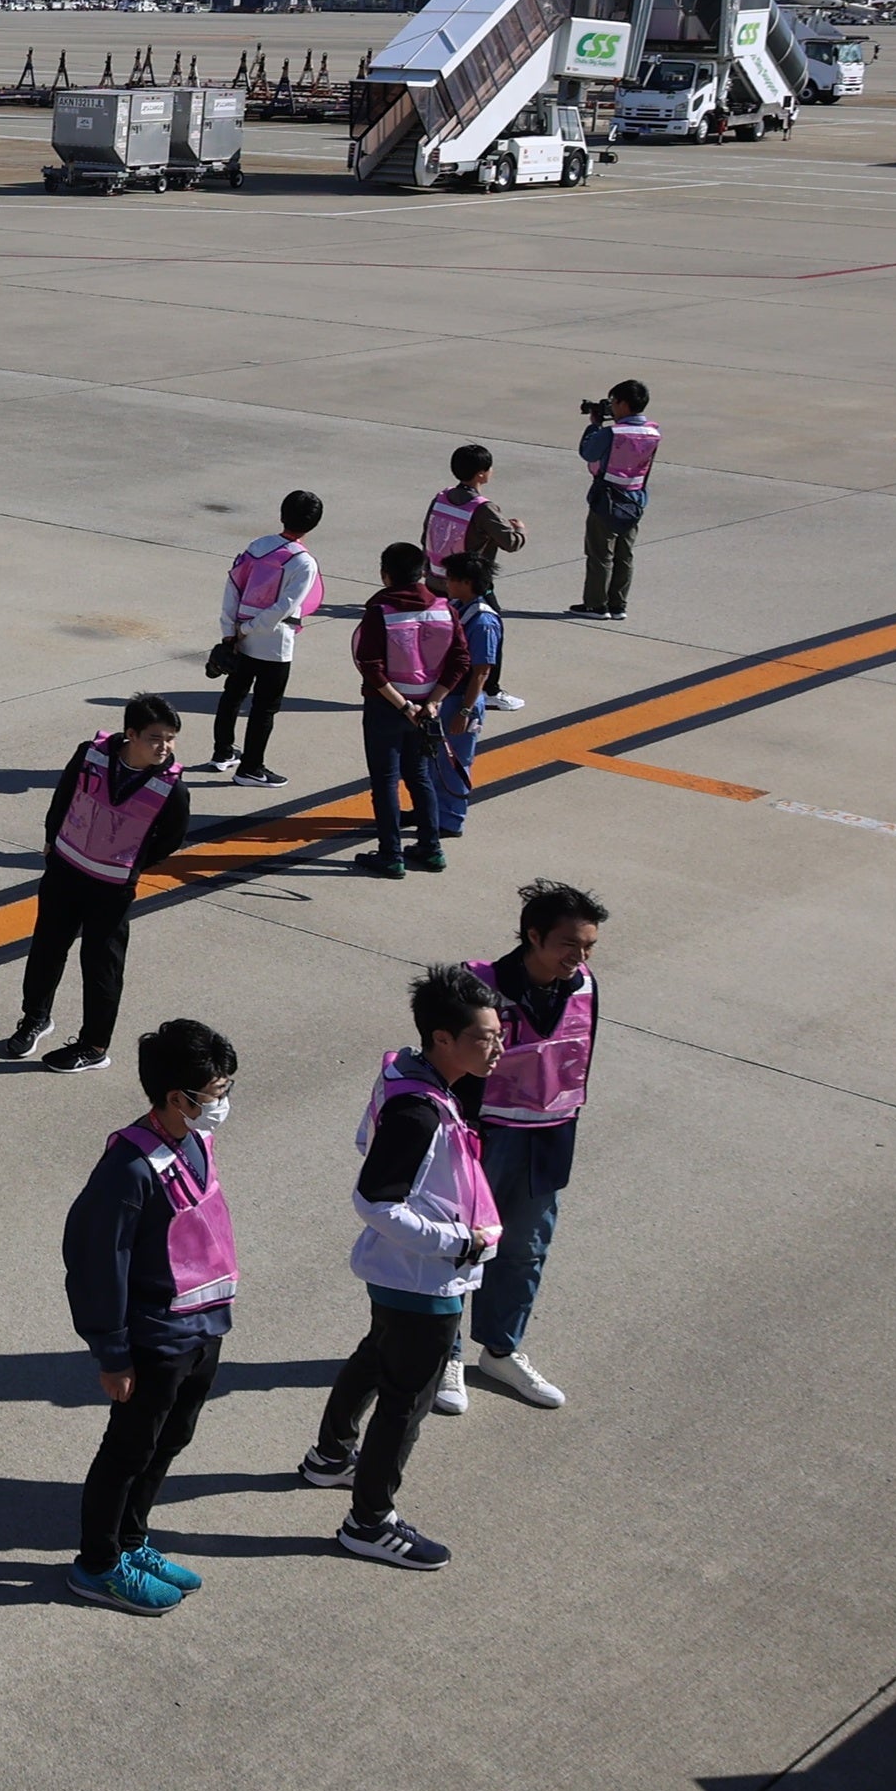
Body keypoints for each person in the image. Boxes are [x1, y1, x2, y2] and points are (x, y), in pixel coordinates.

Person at [298, 965, 502, 1571]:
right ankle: (369, 1522)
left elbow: (367, 1140)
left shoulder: (404, 1075)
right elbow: (375, 1200)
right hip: (423, 1279)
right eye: (485, 1037)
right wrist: (456, 1241)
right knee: (405, 1402)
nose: (498, 1048)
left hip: (398, 1275)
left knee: (375, 1356)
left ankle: (330, 1457)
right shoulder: (421, 1112)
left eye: (499, 1034)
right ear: (443, 1038)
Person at [57, 1019, 241, 1615]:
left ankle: (133, 1541)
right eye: (214, 1092)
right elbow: (96, 1265)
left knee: (170, 1440)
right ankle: (98, 1564)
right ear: (175, 1097)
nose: (222, 1102)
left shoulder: (195, 1142)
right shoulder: (128, 1169)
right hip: (155, 1338)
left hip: (202, 1327)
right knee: (128, 1451)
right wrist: (113, 1354)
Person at [465, 883, 606, 1411]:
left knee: (526, 1250)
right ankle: (444, 1355)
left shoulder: (585, 985)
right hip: (483, 1134)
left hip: (548, 1137)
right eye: (570, 944)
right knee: (461, 1246)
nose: (580, 957)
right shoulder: (478, 985)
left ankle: (500, 1350)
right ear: (533, 935)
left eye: (589, 946)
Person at [0, 695, 196, 1072]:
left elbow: (171, 838)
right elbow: (63, 795)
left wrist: (133, 862)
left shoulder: (172, 789)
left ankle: (93, 1045)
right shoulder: (91, 755)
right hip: (65, 869)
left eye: (170, 739)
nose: (164, 747)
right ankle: (35, 1018)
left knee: (101, 966)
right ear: (131, 734)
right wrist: (52, 838)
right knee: (46, 949)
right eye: (155, 738)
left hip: (112, 887)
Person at [349, 544, 471, 878]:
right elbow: (461, 660)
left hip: (387, 707)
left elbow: (370, 666)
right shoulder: (445, 609)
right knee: (419, 776)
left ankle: (390, 854)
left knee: (385, 781)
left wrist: (403, 705)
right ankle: (431, 848)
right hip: (427, 707)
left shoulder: (380, 611)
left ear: (385, 574)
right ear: (423, 573)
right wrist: (433, 701)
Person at [209, 492, 325, 788]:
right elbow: (285, 606)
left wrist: (230, 629)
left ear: (282, 514)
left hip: (239, 636)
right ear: (314, 524)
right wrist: (250, 628)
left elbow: (233, 585)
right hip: (274, 644)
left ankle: (223, 752)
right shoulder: (304, 562)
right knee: (264, 708)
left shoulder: (257, 546)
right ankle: (251, 768)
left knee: (233, 694)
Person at [422, 446, 527, 711]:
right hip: (469, 586)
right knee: (490, 631)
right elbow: (510, 543)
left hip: (435, 579)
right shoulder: (483, 508)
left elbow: (426, 534)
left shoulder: (441, 498)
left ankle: (431, 685)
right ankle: (491, 690)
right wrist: (519, 530)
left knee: (439, 635)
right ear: (481, 474)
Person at [428, 555, 507, 841]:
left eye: (451, 578)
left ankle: (451, 820)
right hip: (447, 696)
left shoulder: (483, 620)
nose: (446, 583)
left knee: (455, 763)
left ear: (467, 582)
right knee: (434, 761)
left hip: (462, 700)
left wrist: (464, 711)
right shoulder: (459, 607)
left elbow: (481, 672)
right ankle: (431, 810)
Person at [573, 381, 658, 622]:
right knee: (624, 554)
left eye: (613, 402)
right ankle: (618, 604)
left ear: (623, 404)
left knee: (600, 554)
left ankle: (596, 605)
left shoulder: (612, 433)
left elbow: (588, 453)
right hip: (635, 498)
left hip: (607, 499)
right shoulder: (653, 432)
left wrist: (594, 426)